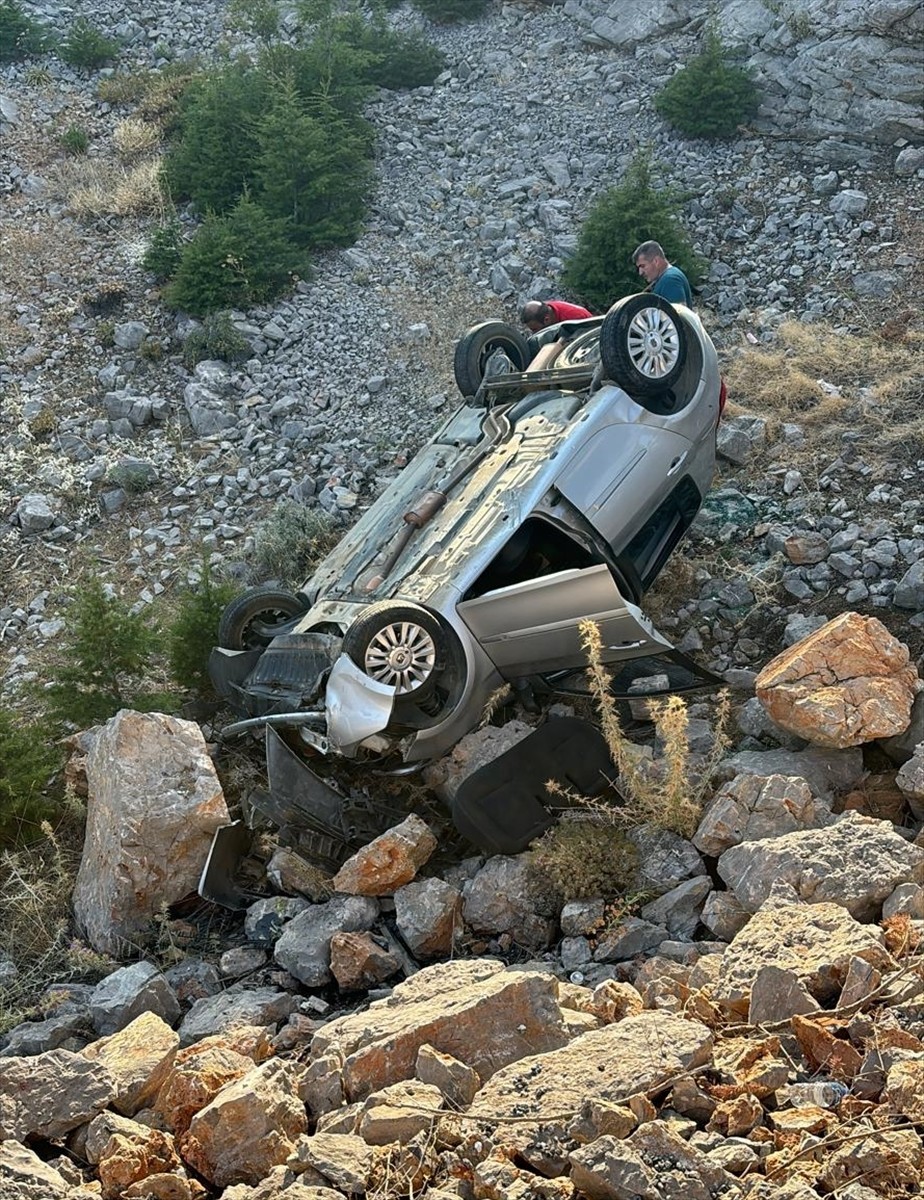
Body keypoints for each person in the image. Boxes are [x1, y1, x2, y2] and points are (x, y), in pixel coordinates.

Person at [631, 241, 693, 306]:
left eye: (643, 266)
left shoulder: (670, 279)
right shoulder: (664, 278)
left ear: (656, 261)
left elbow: (677, 314)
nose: (640, 272)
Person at [520, 299, 593, 332]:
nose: (534, 333)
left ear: (546, 320)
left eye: (535, 329)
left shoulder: (576, 317)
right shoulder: (546, 310)